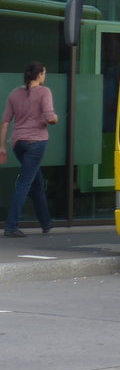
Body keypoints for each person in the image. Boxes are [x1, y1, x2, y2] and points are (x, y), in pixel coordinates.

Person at [0, 63, 58, 238]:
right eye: (44, 73)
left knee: (36, 182)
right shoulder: (44, 91)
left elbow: (5, 121)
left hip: (18, 143)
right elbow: (49, 117)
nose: (45, 76)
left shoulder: (14, 93)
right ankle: (11, 226)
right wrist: (56, 118)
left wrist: (2, 146)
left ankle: (46, 222)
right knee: (25, 183)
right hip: (36, 142)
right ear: (39, 75)